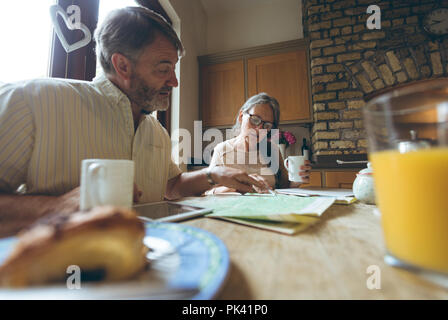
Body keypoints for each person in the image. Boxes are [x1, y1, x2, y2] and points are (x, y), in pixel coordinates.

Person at [0, 7, 267, 231]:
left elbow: (171, 186)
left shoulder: (155, 130)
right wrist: (57, 207)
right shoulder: (29, 100)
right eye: (164, 69)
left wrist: (214, 174)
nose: (174, 81)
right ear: (123, 66)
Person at [207, 93, 311, 194]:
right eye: (255, 120)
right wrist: (241, 186)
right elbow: (208, 192)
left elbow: (283, 187)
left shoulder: (272, 150)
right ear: (241, 116)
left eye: (266, 125)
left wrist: (297, 180)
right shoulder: (221, 151)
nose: (258, 129)